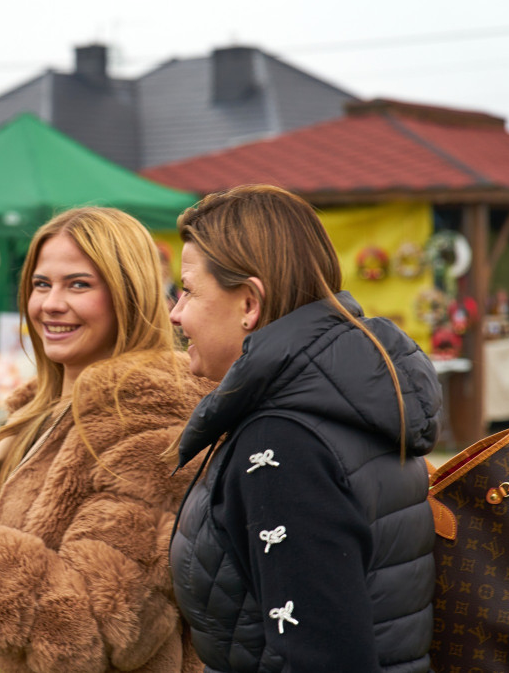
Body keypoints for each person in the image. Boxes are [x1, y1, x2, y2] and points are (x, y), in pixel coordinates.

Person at [0, 207, 216, 673]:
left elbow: (93, 631)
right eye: (40, 284)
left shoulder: (149, 421)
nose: (50, 304)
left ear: (128, 295)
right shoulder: (38, 416)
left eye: (78, 284)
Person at [168, 185, 441, 672]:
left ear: (249, 303)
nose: (175, 312)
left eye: (188, 290)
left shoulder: (280, 442)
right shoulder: (341, 402)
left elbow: (322, 657)